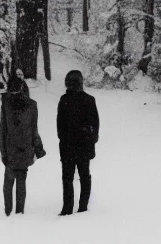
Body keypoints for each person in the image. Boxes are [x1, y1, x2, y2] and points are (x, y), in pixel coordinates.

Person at [0, 76, 45, 216]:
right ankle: (19, 212)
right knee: (22, 180)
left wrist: (3, 152)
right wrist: (39, 149)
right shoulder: (32, 105)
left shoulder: (6, 104)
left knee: (9, 179)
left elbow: (2, 131)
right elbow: (34, 130)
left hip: (10, 147)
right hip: (25, 147)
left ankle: (7, 210)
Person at [57, 69, 99, 216]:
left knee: (68, 178)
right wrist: (90, 141)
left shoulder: (64, 100)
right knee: (84, 176)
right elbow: (95, 125)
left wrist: (64, 140)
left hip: (69, 146)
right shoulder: (89, 100)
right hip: (83, 146)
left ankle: (68, 208)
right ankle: (82, 207)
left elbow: (60, 127)